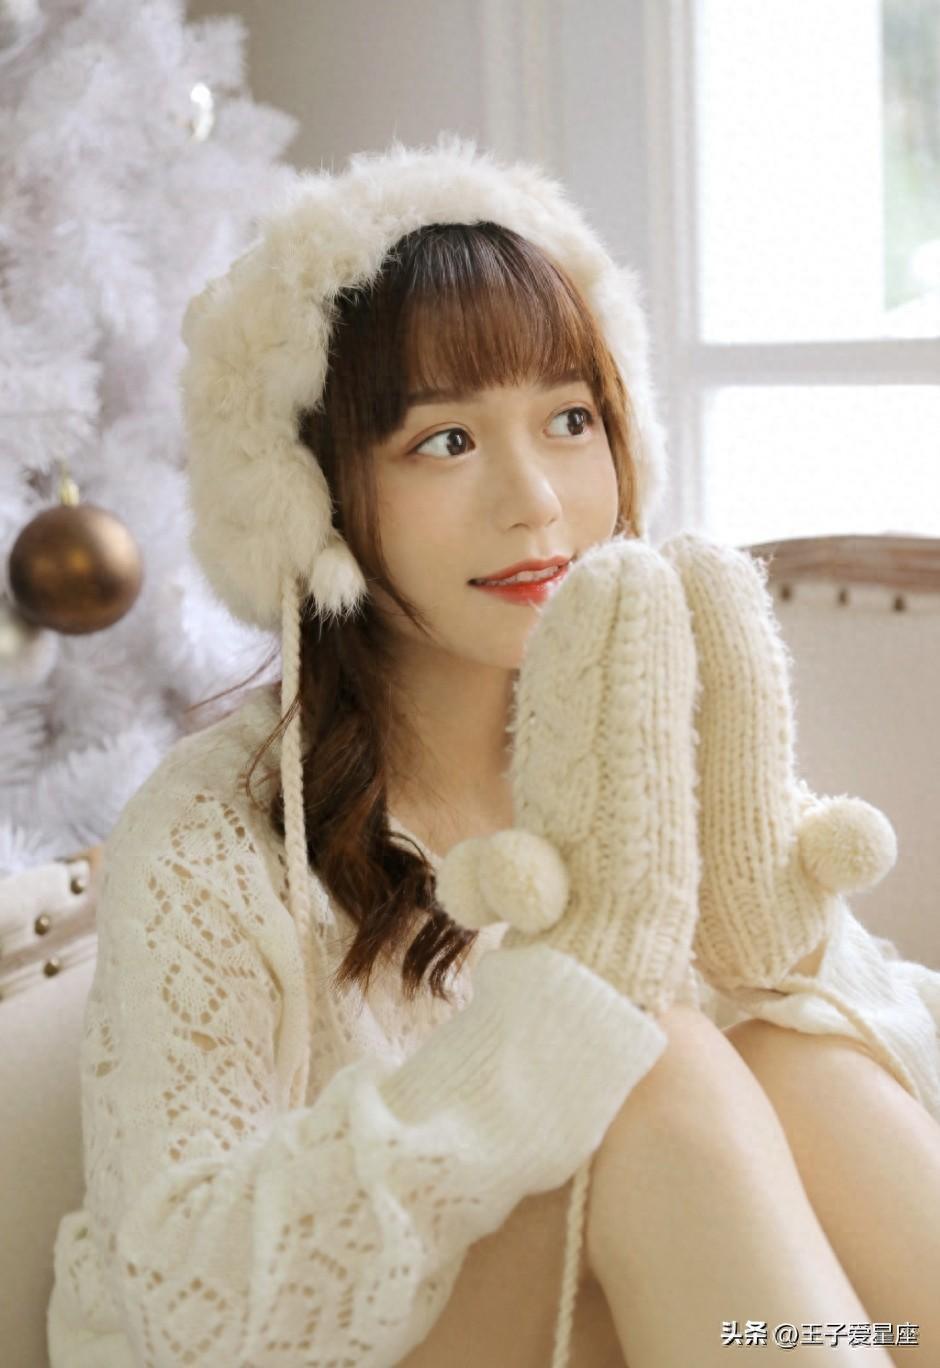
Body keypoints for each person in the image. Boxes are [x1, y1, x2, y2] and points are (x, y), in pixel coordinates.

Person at [47, 132, 940, 1368]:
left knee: (790, 1047)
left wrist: (782, 951)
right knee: (652, 1061)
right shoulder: (211, 835)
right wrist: (549, 1034)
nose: (536, 501)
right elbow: (181, 1304)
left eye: (570, 420)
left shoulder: (651, 746)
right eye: (446, 442)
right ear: (312, 497)